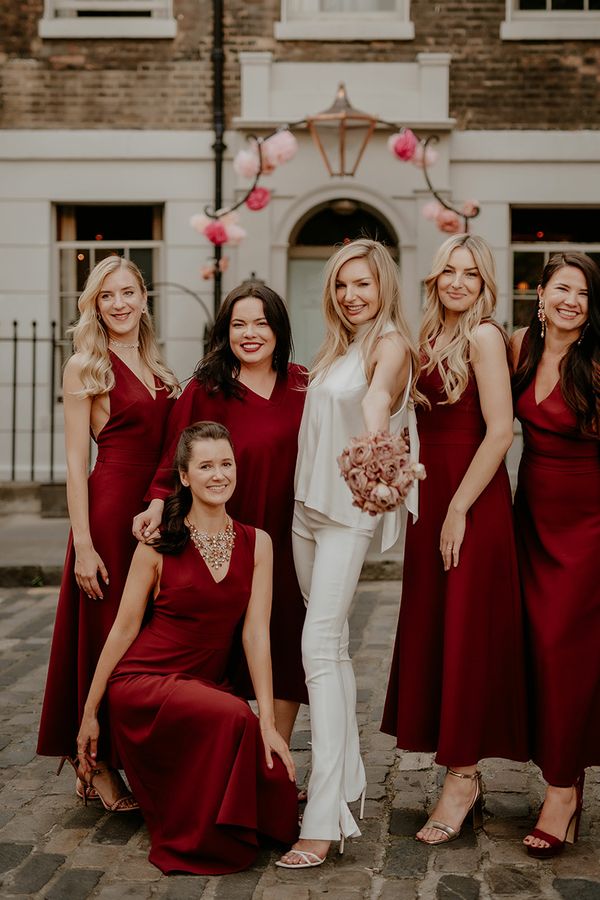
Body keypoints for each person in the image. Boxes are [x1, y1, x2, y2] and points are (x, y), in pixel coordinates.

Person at [76, 422, 298, 875]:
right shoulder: (156, 546)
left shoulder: (259, 544)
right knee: (235, 715)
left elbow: (256, 634)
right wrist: (89, 712)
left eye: (226, 464)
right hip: (145, 684)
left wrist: (270, 725)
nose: (218, 475)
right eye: (205, 466)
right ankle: (203, 836)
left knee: (275, 785)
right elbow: (121, 631)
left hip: (205, 686)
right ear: (184, 476)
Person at [277, 238, 421, 868]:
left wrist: (376, 441)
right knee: (328, 651)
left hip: (349, 514)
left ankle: (324, 815)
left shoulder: (390, 343)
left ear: (383, 285)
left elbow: (376, 399)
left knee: (317, 648)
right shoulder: (337, 347)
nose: (351, 295)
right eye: (341, 285)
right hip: (305, 511)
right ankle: (351, 781)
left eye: (362, 283)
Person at [381, 233, 528, 845]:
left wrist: (459, 508)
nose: (458, 282)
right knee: (439, 629)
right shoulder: (426, 339)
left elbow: (500, 431)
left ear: (484, 280)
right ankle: (458, 764)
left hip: (472, 500)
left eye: (470, 272)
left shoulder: (485, 337)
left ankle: (463, 778)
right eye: (449, 271)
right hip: (430, 498)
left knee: (466, 633)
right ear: (435, 277)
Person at [133, 282, 308, 744]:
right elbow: (173, 459)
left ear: (278, 329)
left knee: (283, 641)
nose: (250, 334)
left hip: (286, 537)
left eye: (261, 323)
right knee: (218, 646)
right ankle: (215, 747)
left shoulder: (304, 384)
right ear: (224, 331)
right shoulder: (205, 389)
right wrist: (155, 505)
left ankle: (276, 754)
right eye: (238, 324)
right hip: (218, 536)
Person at [37, 256, 179, 809]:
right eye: (106, 296)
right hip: (109, 507)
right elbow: (76, 464)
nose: (119, 304)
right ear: (94, 305)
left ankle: (133, 754)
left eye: (128, 293)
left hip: (156, 511)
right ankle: (92, 762)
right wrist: (85, 544)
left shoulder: (155, 363)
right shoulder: (84, 366)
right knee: (103, 634)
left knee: (143, 634)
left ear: (145, 298)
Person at [510, 252, 600, 859]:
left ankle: (561, 793)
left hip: (589, 525)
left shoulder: (596, 365)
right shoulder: (518, 347)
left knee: (563, 652)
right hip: (530, 515)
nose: (571, 300)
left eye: (584, 293)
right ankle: (568, 771)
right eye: (562, 288)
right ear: (540, 294)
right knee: (536, 651)